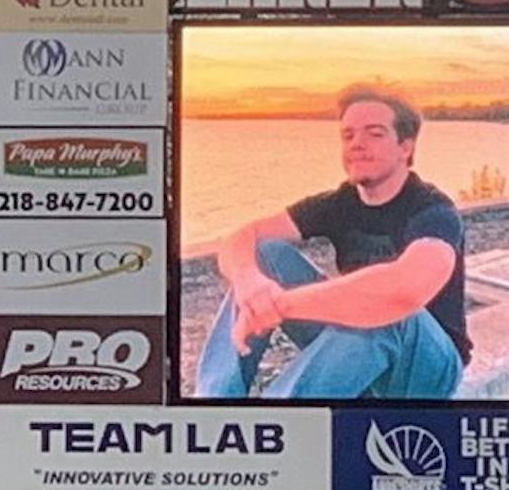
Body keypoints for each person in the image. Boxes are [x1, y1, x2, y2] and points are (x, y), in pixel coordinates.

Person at [194, 86, 468, 399]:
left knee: (385, 306)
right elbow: (242, 237)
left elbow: (405, 289)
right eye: (348, 135)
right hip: (358, 354)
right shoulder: (340, 203)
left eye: (374, 134)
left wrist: (280, 304)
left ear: (405, 147)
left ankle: (279, 418)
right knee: (264, 253)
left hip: (422, 371)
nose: (357, 145)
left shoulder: (433, 210)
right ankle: (215, 401)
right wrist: (250, 284)